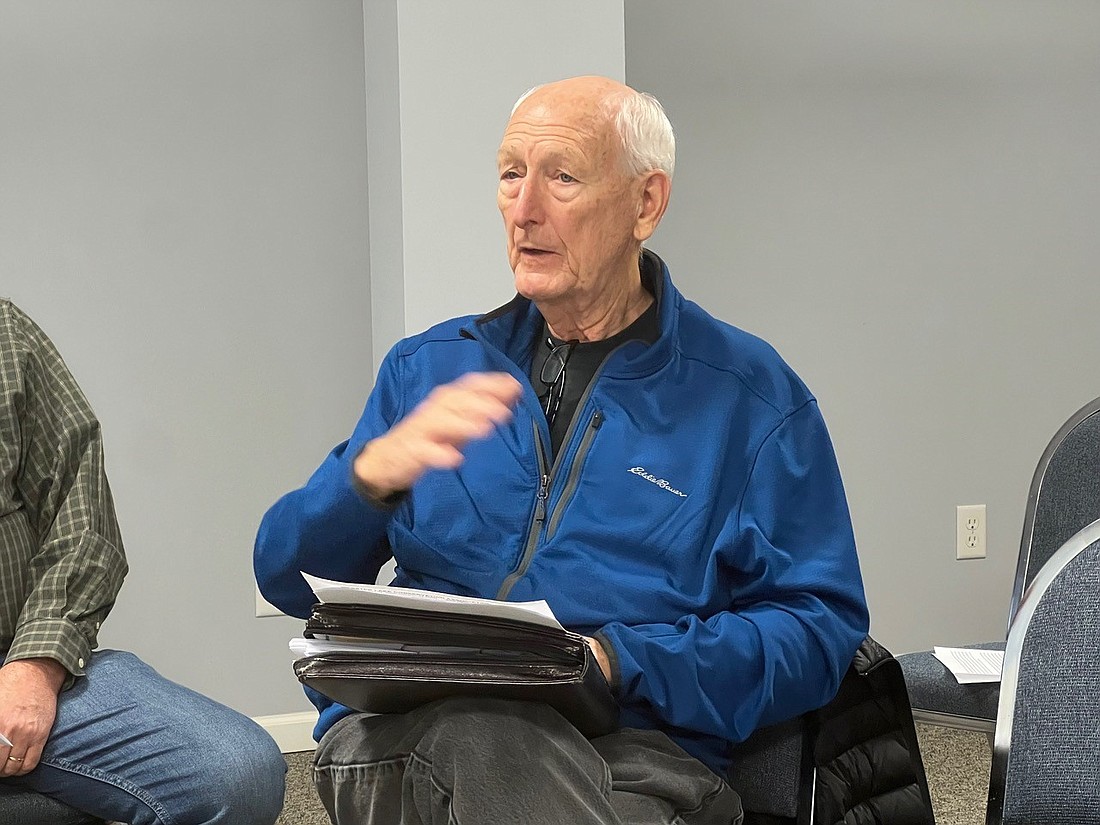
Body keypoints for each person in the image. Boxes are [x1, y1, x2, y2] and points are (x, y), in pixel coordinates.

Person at [256, 75, 869, 825]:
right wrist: (365, 482)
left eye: (563, 177)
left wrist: (621, 659)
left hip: (637, 755)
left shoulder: (751, 398)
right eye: (511, 173)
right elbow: (283, 574)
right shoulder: (428, 368)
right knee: (482, 733)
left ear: (646, 204)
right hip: (400, 737)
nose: (524, 207)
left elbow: (817, 628)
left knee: (509, 765)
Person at [0, 299, 287, 824]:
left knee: (238, 771)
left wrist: (35, 667)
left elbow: (81, 519)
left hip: (16, 659)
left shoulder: (6, 334)